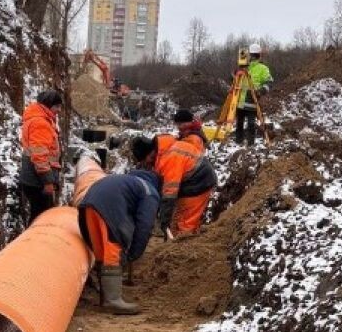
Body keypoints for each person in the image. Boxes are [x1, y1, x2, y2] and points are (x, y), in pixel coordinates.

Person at [76, 169, 161, 315]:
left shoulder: (128, 182)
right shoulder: (150, 191)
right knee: (113, 249)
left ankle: (105, 296)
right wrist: (134, 253)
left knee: (101, 251)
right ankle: (113, 300)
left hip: (88, 206)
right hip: (109, 208)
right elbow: (145, 225)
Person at [132, 132, 217, 240]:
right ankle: (175, 241)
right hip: (188, 181)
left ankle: (183, 249)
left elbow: (169, 193)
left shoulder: (169, 158)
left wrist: (164, 219)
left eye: (146, 160)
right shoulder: (162, 150)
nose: (147, 164)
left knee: (185, 222)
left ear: (150, 153)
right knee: (176, 219)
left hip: (199, 183)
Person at [18, 89, 63, 225]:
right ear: (49, 105)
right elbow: (39, 156)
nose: (59, 110)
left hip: (33, 179)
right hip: (38, 182)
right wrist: (48, 182)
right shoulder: (40, 123)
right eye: (57, 106)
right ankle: (34, 244)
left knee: (38, 214)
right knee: (41, 218)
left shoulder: (39, 119)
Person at [235, 43, 273, 144]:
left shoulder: (262, 68)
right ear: (260, 54)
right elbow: (235, 80)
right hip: (240, 101)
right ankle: (238, 142)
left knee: (250, 124)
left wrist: (261, 91)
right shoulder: (244, 68)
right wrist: (236, 73)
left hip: (252, 100)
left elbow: (269, 82)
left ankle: (250, 144)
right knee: (240, 123)